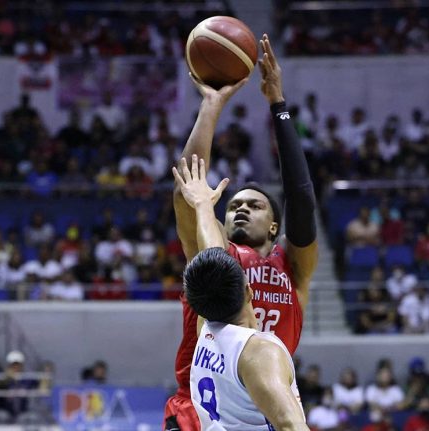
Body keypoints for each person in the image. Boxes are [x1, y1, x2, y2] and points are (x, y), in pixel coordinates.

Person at [167, 34, 318, 431]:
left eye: (254, 204)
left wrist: (278, 107)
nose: (239, 209)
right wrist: (210, 107)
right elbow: (189, 193)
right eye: (233, 205)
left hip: (260, 406)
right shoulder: (218, 259)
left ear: (274, 225)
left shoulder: (293, 267)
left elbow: (301, 200)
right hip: (197, 411)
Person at [185, 248, 308, 431]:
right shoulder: (259, 353)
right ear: (249, 291)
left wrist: (205, 217)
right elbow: (291, 426)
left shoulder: (204, 330)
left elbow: (207, 246)